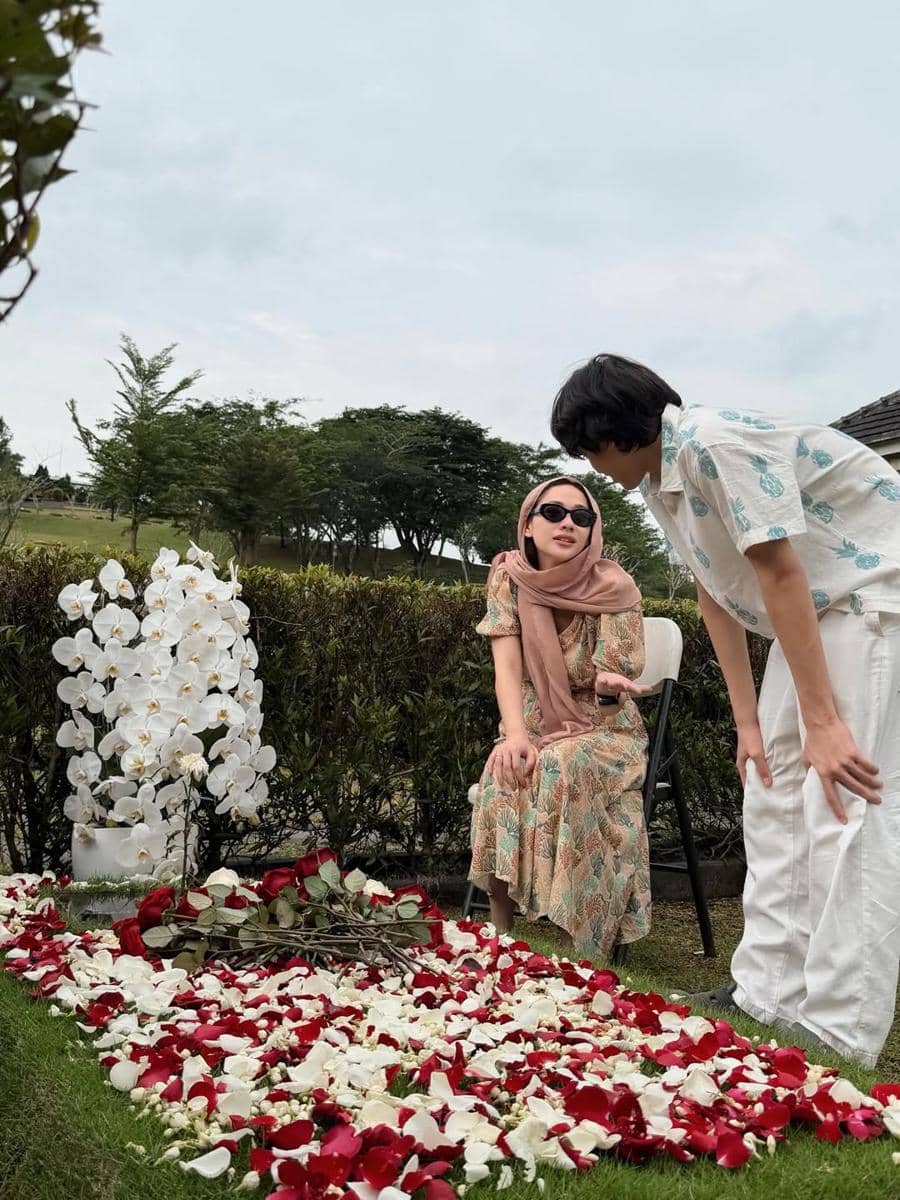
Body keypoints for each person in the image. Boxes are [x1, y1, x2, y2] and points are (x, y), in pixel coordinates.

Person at [550, 352, 900, 1067]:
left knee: (844, 806)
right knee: (771, 794)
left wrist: (826, 723)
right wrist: (748, 724)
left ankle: (839, 1028)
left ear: (616, 431)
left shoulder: (712, 443)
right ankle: (766, 993)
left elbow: (779, 570)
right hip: (818, 611)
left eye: (588, 448)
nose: (589, 464)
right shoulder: (661, 481)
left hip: (870, 602)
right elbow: (719, 590)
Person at [468, 475, 652, 958]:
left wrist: (610, 689)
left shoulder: (615, 587)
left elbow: (617, 684)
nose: (568, 524)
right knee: (506, 765)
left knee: (562, 764)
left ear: (594, 530)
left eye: (582, 517)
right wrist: (513, 735)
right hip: (534, 721)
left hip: (607, 730)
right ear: (528, 524)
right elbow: (507, 668)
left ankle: (580, 943)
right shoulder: (508, 577)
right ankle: (501, 934)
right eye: (553, 513)